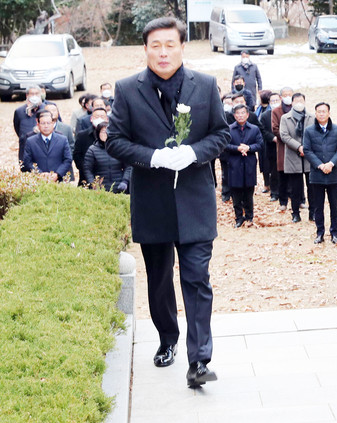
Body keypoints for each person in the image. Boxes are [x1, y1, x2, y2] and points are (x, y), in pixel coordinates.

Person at [106, 17, 230, 388]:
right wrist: (152, 157)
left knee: (197, 279)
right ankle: (167, 338)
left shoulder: (205, 86)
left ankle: (200, 360)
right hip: (153, 202)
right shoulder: (127, 90)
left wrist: (194, 152)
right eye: (155, 46)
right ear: (145, 49)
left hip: (195, 200)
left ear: (181, 47)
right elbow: (114, 140)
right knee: (159, 281)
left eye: (169, 45)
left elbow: (221, 134)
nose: (163, 52)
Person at [303, 102, 337, 244]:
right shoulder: (309, 131)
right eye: (319, 111)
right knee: (318, 206)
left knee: (334, 205)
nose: (321, 114)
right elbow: (307, 150)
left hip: (333, 174)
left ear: (329, 113)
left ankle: (334, 232)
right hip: (317, 174)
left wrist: (331, 164)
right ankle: (319, 232)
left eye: (324, 111)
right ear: (315, 113)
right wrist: (320, 165)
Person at [225, 104, 264, 227]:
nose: (240, 115)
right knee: (235, 192)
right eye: (238, 113)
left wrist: (249, 148)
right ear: (234, 115)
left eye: (243, 113)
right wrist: (238, 148)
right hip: (234, 164)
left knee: (248, 192)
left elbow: (260, 144)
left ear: (247, 115)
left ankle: (249, 216)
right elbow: (224, 145)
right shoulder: (229, 129)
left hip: (249, 163)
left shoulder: (254, 129)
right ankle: (238, 218)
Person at [279, 93, 315, 223]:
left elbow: (315, 134)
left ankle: (313, 213)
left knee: (312, 187)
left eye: (301, 100)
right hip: (293, 156)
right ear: (292, 103)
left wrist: (306, 148)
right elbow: (284, 136)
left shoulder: (311, 117)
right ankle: (295, 213)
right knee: (295, 188)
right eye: (296, 101)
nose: (299, 103)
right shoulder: (285, 118)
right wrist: (299, 147)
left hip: (309, 157)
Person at [22, 110, 72, 182]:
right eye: (43, 123)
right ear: (38, 125)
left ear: (53, 124)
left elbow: (68, 160)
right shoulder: (30, 141)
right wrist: (40, 174)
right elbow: (27, 162)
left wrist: (57, 174)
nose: (46, 126)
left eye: (48, 123)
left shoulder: (62, 140)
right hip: (38, 181)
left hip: (59, 181)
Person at [83, 122, 131, 193]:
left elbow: (128, 166)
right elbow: (87, 169)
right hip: (101, 188)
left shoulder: (119, 148)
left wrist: (125, 181)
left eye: (107, 131)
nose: (105, 134)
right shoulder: (92, 150)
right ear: (98, 133)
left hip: (118, 187)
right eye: (103, 132)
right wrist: (93, 184)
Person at [271, 87, 294, 211]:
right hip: (282, 146)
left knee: (296, 176)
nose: (287, 96)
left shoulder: (297, 109)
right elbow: (275, 128)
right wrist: (287, 137)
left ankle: (299, 199)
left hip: (296, 147)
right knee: (283, 175)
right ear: (281, 97)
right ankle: (283, 201)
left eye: (289, 94)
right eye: (285, 95)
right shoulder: (276, 111)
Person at [74, 107, 109, 185]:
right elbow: (77, 156)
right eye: (96, 117)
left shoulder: (114, 136)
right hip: (86, 178)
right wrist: (87, 170)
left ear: (107, 119)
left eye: (102, 117)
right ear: (91, 119)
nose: (99, 119)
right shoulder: (82, 135)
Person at [13, 85, 45, 164]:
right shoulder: (19, 111)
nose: (34, 96)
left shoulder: (46, 109)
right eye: (32, 94)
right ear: (27, 95)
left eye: (37, 94)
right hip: (25, 148)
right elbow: (17, 128)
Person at [259, 92, 281, 202]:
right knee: (274, 170)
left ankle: (288, 192)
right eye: (272, 101)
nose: (275, 103)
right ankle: (274, 193)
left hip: (286, 147)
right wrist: (273, 138)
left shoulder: (285, 114)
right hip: (271, 147)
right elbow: (262, 130)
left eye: (277, 100)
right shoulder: (265, 116)